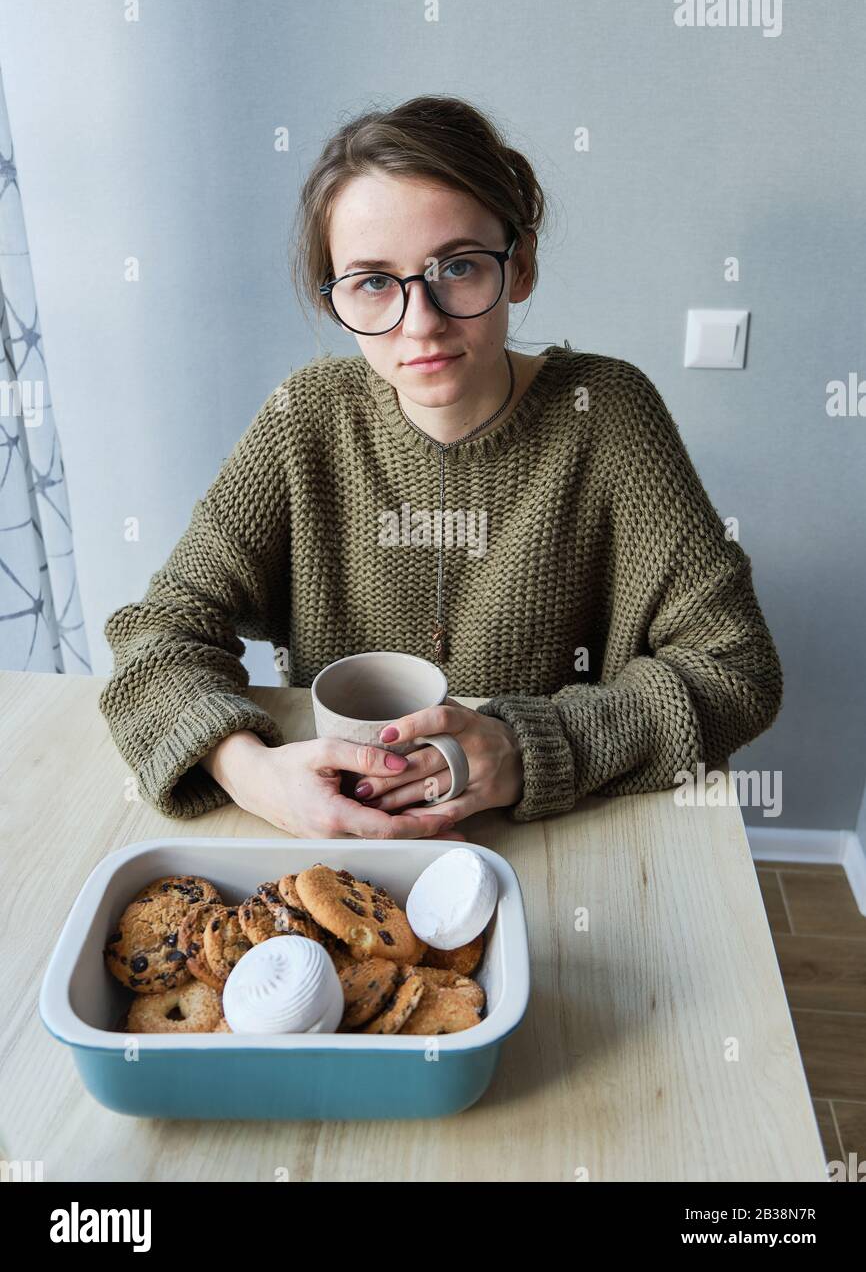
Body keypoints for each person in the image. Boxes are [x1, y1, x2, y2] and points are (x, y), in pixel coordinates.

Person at [99, 94, 783, 839]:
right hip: (343, 835)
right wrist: (254, 773)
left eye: (456, 267)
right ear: (335, 299)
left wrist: (529, 749)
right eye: (371, 281)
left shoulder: (608, 410)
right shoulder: (306, 418)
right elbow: (160, 632)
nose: (420, 322)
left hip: (560, 829)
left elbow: (736, 667)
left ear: (519, 267)